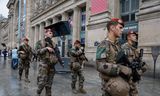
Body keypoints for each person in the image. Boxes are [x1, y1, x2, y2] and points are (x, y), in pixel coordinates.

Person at [96, 18, 132, 96]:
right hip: (111, 82)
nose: (122, 30)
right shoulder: (104, 45)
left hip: (120, 79)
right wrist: (120, 68)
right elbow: (99, 65)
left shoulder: (118, 45)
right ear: (112, 28)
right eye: (120, 27)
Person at [122, 31, 148, 96]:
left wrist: (141, 69)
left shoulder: (134, 49)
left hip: (133, 77)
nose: (135, 36)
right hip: (126, 78)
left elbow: (138, 62)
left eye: (135, 35)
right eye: (133, 35)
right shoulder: (124, 48)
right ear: (128, 37)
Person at [35, 25, 59, 96]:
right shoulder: (40, 42)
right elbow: (36, 52)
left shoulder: (54, 44)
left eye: (51, 32)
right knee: (42, 83)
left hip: (52, 66)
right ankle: (38, 93)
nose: (51, 33)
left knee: (49, 84)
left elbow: (57, 54)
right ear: (45, 33)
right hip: (44, 66)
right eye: (49, 32)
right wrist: (46, 48)